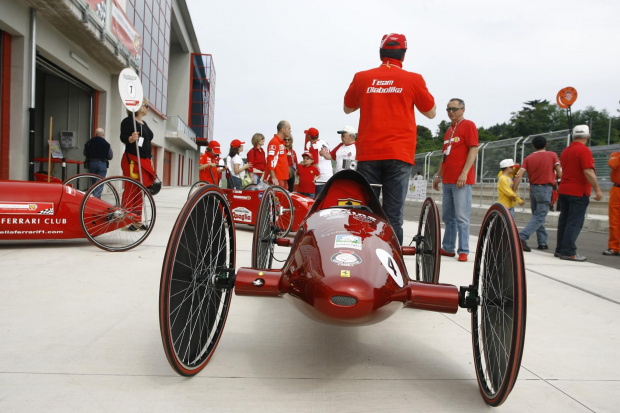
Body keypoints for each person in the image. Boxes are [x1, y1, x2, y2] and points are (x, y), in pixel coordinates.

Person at [344, 33, 436, 245]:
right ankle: (393, 265)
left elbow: (348, 108)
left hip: (369, 153)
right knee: (393, 215)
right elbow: (431, 112)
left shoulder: (362, 77)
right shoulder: (414, 79)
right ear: (403, 54)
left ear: (380, 52)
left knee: (366, 212)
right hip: (399, 154)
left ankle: (363, 261)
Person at [432, 99, 478, 262]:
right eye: (448, 109)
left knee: (461, 216)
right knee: (448, 217)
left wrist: (464, 173)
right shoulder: (449, 130)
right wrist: (438, 175)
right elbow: (444, 156)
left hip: (461, 180)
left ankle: (464, 249)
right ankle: (448, 247)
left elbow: (473, 149)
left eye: (454, 109)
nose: (451, 112)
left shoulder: (468, 125)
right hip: (448, 180)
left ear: (462, 109)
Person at [555, 125, 604, 261]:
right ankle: (568, 251)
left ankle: (560, 249)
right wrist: (597, 189)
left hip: (564, 189)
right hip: (578, 191)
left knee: (564, 220)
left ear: (573, 136)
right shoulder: (584, 151)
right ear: (587, 137)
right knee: (574, 221)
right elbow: (588, 171)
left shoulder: (566, 151)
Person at [512, 135, 562, 251]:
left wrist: (513, 191)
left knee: (538, 215)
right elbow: (559, 173)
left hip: (533, 188)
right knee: (540, 216)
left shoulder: (528, 158)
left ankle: (542, 242)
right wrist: (556, 179)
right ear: (546, 144)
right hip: (545, 188)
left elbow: (519, 175)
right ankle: (522, 237)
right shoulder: (552, 155)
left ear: (534, 146)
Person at [120, 99, 156, 231]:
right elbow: (123, 137)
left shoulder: (144, 123)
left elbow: (147, 143)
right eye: (146, 106)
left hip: (145, 160)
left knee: (141, 191)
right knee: (131, 188)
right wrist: (130, 138)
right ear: (139, 107)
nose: (147, 108)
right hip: (133, 159)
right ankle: (124, 219)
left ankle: (136, 219)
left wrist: (150, 159)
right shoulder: (128, 121)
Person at [84, 127, 113, 198]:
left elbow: (85, 152)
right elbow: (110, 156)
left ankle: (92, 196)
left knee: (93, 180)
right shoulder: (106, 144)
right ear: (103, 134)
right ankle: (97, 197)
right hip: (102, 164)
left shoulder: (89, 142)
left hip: (92, 163)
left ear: (95, 134)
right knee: (100, 182)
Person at [304, 127, 333, 196]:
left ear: (309, 136)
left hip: (320, 179)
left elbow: (315, 165)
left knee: (318, 202)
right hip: (329, 176)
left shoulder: (313, 146)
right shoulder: (325, 143)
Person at [603, 142, 620, 256]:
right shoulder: (616, 155)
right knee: (614, 220)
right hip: (617, 189)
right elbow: (612, 164)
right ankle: (614, 247)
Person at [264, 120, 291, 187]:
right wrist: (273, 177)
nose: (290, 131)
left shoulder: (281, 142)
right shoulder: (274, 142)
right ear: (283, 130)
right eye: (289, 128)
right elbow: (270, 159)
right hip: (277, 178)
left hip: (283, 177)